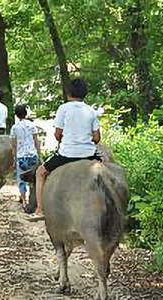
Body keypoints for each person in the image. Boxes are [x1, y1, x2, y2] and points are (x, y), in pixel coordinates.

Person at [33, 78, 102, 218]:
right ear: (84, 93)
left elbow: (58, 134)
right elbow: (97, 138)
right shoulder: (91, 111)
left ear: (69, 92)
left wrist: (64, 139)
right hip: (89, 154)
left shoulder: (63, 108)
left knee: (40, 172)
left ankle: (40, 210)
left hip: (67, 154)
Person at [10, 104, 40, 210]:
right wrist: (38, 153)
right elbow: (36, 140)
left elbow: (14, 145)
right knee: (34, 179)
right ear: (26, 113)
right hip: (32, 156)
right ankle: (34, 201)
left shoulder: (14, 128)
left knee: (21, 180)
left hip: (21, 157)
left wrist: (14, 159)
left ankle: (24, 201)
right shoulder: (32, 125)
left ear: (17, 115)